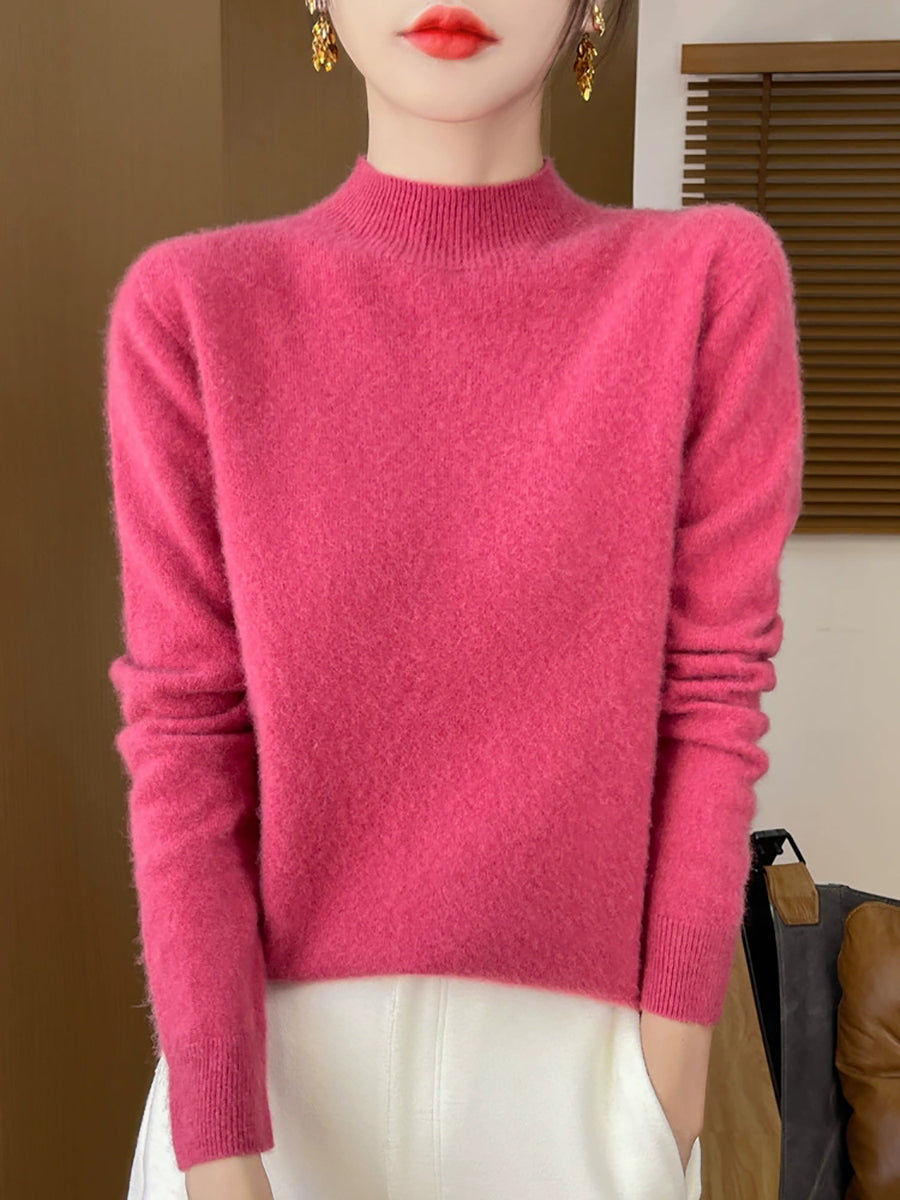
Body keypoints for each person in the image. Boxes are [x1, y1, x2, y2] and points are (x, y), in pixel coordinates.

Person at [103, 2, 805, 1198]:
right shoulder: (192, 309)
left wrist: (666, 1083)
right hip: (269, 1093)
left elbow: (712, 698)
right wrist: (218, 1152)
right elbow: (187, 743)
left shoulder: (705, 284)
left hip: (582, 1090)